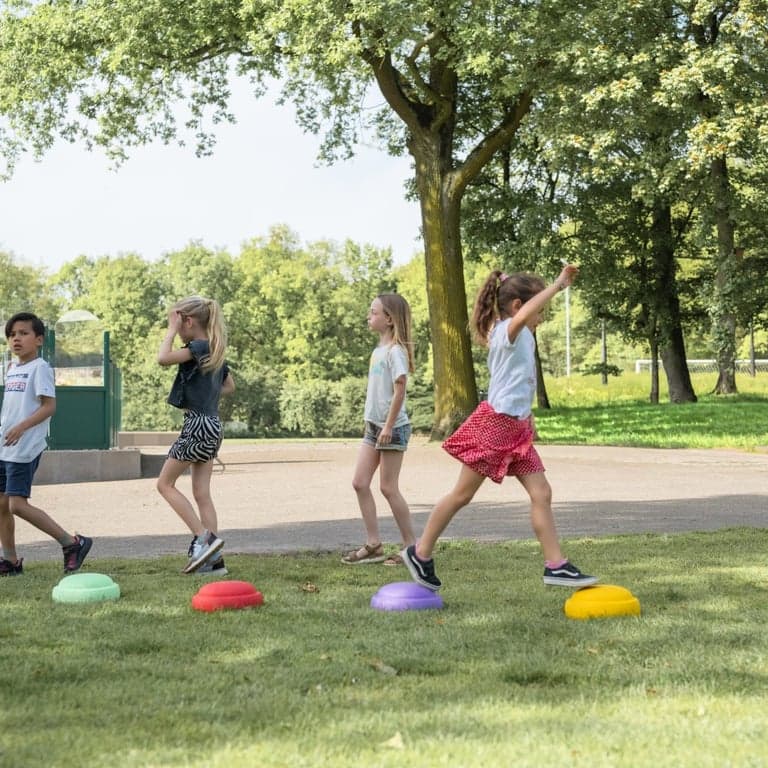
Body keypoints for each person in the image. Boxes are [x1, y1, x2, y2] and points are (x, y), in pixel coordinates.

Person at [402, 265, 598, 591]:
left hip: (515, 427)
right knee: (462, 494)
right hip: (497, 425)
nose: (543, 318)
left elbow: (518, 381)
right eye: (540, 310)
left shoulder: (517, 334)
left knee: (542, 493)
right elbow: (523, 321)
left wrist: (527, 414)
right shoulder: (508, 329)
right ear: (519, 306)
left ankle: (556, 565)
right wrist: (559, 285)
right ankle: (420, 553)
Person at [0, 312, 92, 576]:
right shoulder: (13, 368)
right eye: (12, 334)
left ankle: (72, 543)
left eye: (23, 333)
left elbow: (49, 406)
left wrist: (21, 428)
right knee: (1, 505)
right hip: (5, 446)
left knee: (16, 505)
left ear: (39, 339)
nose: (16, 338)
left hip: (24, 447)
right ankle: (10, 561)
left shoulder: (40, 368)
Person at [157, 296, 234, 575]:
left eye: (177, 324)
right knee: (202, 493)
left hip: (197, 424)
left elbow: (163, 358)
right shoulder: (214, 349)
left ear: (187, 321)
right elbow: (229, 386)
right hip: (213, 423)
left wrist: (169, 331)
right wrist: (205, 392)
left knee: (164, 484)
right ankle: (213, 561)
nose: (176, 330)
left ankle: (203, 539)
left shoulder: (198, 346)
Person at [342, 293, 417, 566]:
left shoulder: (396, 351)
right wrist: (373, 424)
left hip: (392, 428)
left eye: (373, 312)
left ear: (389, 319)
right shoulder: (378, 351)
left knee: (388, 488)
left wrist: (387, 426)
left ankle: (412, 548)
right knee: (359, 482)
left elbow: (400, 391)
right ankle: (373, 544)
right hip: (373, 428)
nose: (368, 316)